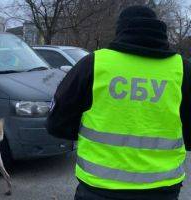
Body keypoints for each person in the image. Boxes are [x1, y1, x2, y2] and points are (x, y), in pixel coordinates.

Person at [47, 5, 190, 200]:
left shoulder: (93, 64)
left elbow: (57, 125)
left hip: (99, 188)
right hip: (162, 189)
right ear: (158, 28)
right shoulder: (182, 69)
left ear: (121, 30)